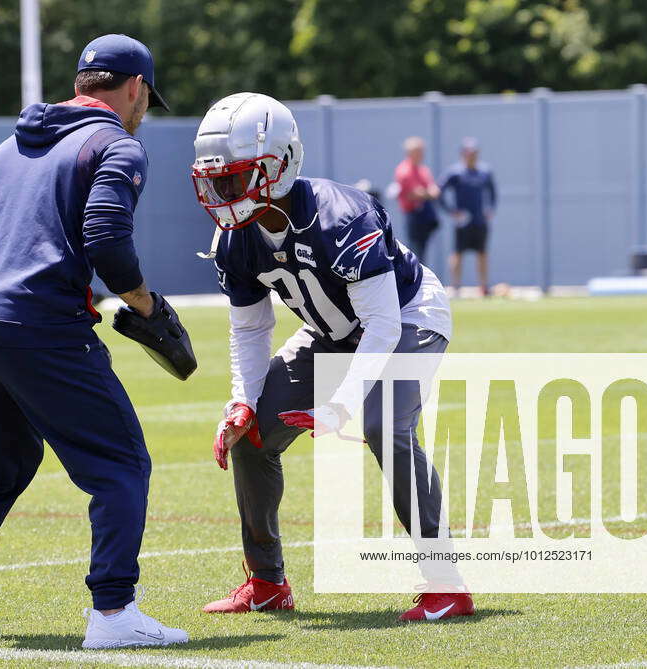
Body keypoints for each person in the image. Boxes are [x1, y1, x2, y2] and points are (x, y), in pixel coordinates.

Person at [0, 34, 189, 648]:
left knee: (9, 459)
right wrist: (145, 304)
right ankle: (115, 614)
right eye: (147, 97)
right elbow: (107, 240)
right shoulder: (118, 143)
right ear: (135, 88)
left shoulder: (5, 147)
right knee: (122, 465)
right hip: (37, 325)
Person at [191, 93, 474, 621]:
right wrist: (241, 402)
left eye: (234, 178)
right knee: (250, 432)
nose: (221, 192)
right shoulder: (235, 239)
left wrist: (342, 402)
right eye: (215, 179)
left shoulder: (339, 216)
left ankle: (446, 584)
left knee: (382, 423)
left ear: (278, 167)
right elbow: (250, 328)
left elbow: (384, 323)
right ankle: (267, 582)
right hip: (331, 329)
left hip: (408, 316)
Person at [440, 137, 496, 295]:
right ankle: (456, 287)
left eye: (475, 152)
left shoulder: (484, 172)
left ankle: (483, 287)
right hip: (463, 222)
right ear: (463, 153)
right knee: (458, 252)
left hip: (480, 220)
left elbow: (492, 192)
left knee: (482, 253)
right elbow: (440, 192)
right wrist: (452, 211)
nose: (472, 155)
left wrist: (490, 209)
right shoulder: (455, 172)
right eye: (469, 152)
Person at [394, 136, 440, 264]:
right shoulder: (404, 170)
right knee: (414, 250)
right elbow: (414, 193)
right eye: (418, 151)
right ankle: (414, 280)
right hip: (413, 215)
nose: (421, 154)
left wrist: (426, 193)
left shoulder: (423, 169)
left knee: (422, 250)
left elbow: (433, 189)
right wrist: (427, 193)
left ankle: (421, 279)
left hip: (425, 215)